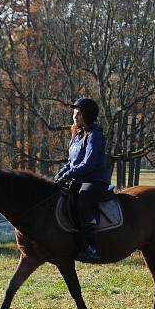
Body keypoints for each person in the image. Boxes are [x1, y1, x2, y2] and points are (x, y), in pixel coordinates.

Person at [54, 97, 110, 262]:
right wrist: (59, 175)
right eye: (74, 114)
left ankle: (92, 247)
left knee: (83, 199)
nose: (75, 117)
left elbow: (88, 164)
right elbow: (71, 163)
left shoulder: (95, 135)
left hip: (95, 181)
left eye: (78, 114)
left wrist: (68, 175)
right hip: (79, 179)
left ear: (88, 116)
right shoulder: (76, 136)